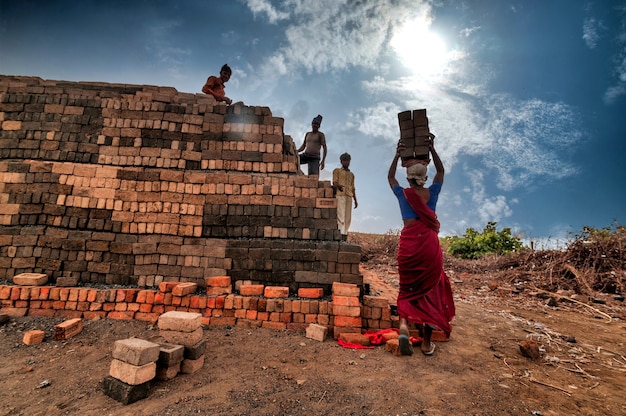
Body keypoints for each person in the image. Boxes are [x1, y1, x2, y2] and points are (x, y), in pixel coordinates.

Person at [387, 134, 455, 356]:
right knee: (431, 291)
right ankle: (426, 344)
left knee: (407, 289)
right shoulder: (432, 193)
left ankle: (404, 327)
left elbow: (390, 178)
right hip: (429, 247)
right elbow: (441, 172)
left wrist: (397, 155)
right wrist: (433, 149)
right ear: (424, 178)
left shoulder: (403, 194)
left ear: (408, 178)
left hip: (408, 246)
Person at [332, 153, 358, 241]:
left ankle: (344, 235)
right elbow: (334, 183)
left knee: (348, 218)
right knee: (340, 216)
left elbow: (353, 188)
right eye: (345, 161)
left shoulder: (352, 175)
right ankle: (339, 234)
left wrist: (355, 200)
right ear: (341, 161)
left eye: (348, 161)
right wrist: (338, 186)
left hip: (349, 196)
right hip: (340, 195)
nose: (346, 162)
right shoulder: (337, 171)